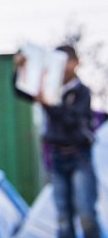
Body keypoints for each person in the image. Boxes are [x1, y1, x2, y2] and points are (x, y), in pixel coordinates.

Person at [14, 45, 101, 238]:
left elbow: (72, 120)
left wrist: (48, 103)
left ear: (76, 63)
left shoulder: (82, 92)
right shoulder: (48, 87)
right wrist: (20, 68)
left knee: (86, 214)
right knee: (63, 216)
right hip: (57, 156)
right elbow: (22, 90)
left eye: (68, 61)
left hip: (80, 156)